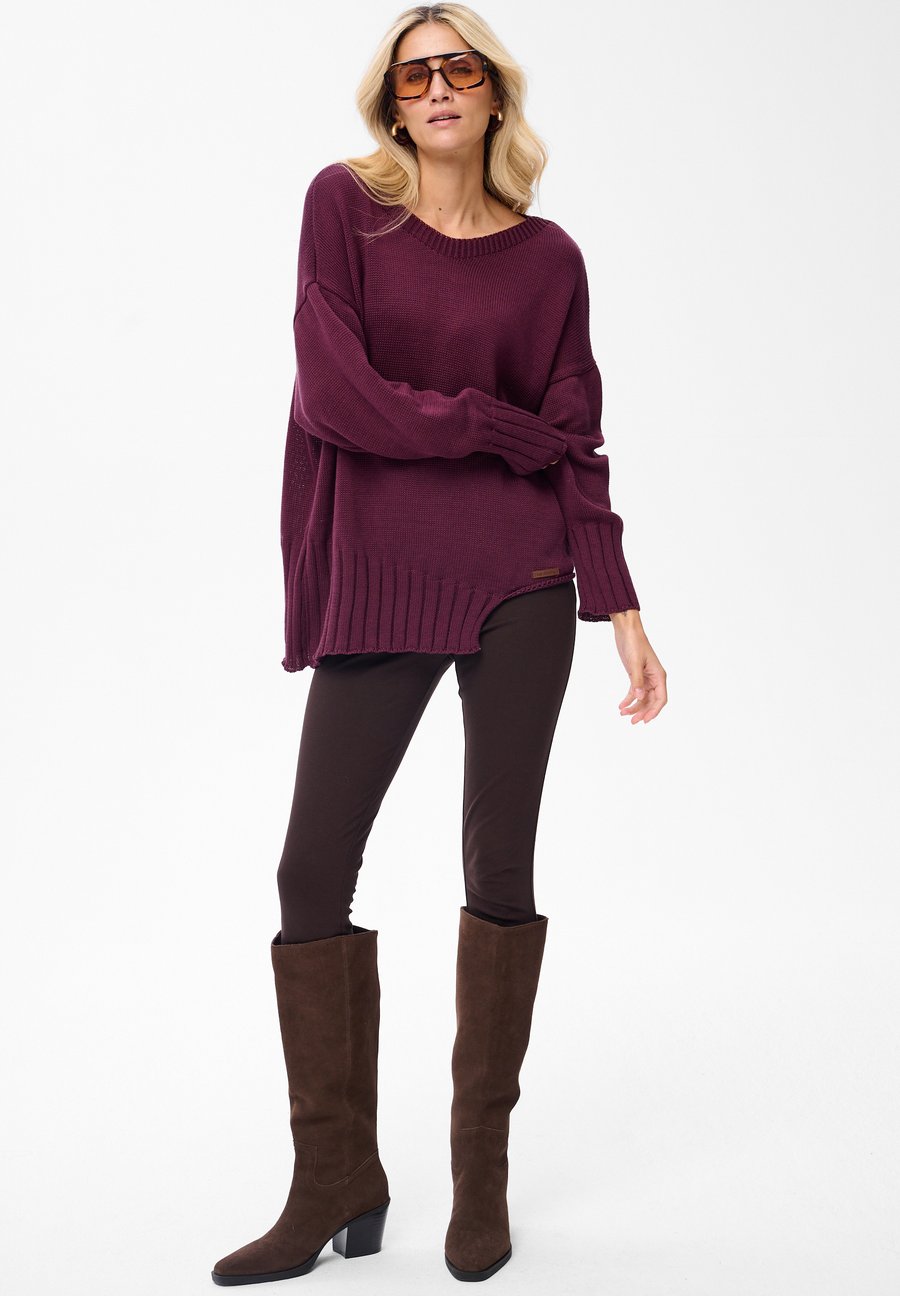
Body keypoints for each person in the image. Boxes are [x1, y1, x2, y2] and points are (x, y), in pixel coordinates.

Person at [211, 2, 667, 1286]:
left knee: (499, 866)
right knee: (311, 870)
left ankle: (482, 1176)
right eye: (414, 76)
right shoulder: (343, 210)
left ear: (494, 92)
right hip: (384, 577)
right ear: (392, 103)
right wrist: (486, 423)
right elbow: (336, 395)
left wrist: (621, 606)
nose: (437, 89)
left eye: (459, 68)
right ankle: (336, 1179)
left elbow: (576, 443)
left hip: (524, 579)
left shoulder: (550, 260)